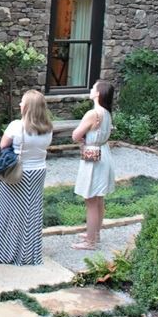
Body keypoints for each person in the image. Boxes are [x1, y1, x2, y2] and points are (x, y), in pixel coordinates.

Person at [0, 89, 53, 266]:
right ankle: (28, 253)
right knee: (31, 211)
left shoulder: (16, 126)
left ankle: (4, 250)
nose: (19, 104)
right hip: (38, 171)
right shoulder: (48, 128)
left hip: (18, 172)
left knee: (8, 211)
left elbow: (0, 147)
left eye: (22, 102)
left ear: (27, 107)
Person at [71, 79, 116, 250]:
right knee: (99, 197)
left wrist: (81, 137)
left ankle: (90, 241)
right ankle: (94, 234)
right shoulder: (107, 112)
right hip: (104, 153)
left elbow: (76, 135)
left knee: (90, 198)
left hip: (93, 155)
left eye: (93, 88)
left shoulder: (93, 113)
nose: (91, 89)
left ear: (98, 93)